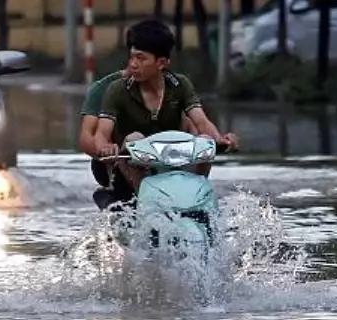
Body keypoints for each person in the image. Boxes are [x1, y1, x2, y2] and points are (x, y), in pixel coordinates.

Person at [92, 19, 239, 194]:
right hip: (130, 168)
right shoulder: (117, 89)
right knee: (134, 138)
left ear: (161, 63)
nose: (133, 64)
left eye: (140, 58)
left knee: (205, 140)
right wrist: (105, 148)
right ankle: (143, 197)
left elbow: (202, 122)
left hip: (172, 162)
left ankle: (196, 193)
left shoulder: (180, 85)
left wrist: (220, 140)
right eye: (131, 57)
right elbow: (101, 134)